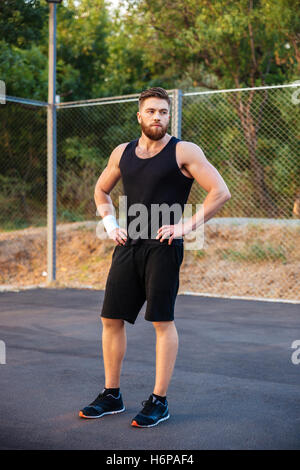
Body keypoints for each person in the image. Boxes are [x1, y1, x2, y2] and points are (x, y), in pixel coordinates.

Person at [79, 87, 231, 427]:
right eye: (151, 111)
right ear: (139, 116)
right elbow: (101, 190)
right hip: (127, 245)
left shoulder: (184, 151)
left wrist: (185, 226)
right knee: (111, 319)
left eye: (163, 112)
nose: (157, 117)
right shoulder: (122, 153)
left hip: (163, 247)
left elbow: (220, 192)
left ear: (168, 116)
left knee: (162, 322)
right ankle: (112, 394)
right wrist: (109, 222)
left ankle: (159, 401)